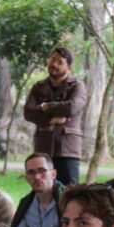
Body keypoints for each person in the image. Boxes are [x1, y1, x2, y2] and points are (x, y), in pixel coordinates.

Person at [23, 47, 88, 186]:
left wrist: (45, 107)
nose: (54, 64)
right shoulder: (39, 87)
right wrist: (51, 119)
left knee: (70, 191)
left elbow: (71, 107)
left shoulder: (77, 86)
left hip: (67, 148)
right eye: (52, 60)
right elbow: (28, 112)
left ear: (69, 67)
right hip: (43, 146)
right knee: (43, 189)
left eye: (60, 62)